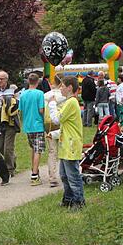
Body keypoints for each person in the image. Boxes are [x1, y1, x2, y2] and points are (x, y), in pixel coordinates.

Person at [47, 76, 84, 209]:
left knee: (73, 176)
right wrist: (54, 134)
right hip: (66, 144)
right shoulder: (69, 103)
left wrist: (51, 104)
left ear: (69, 88)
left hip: (71, 145)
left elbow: (57, 119)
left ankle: (79, 201)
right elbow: (66, 125)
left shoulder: (71, 102)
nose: (60, 88)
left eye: (62, 86)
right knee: (64, 175)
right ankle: (67, 199)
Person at [19, 73, 46, 186]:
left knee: (33, 148)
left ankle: (34, 169)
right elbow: (41, 110)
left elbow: (20, 111)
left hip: (27, 125)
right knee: (38, 150)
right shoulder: (40, 94)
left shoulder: (23, 94)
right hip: (38, 124)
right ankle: (34, 175)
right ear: (38, 81)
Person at [0, 70, 19, 177]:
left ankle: (10, 169)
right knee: (0, 147)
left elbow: (18, 104)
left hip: (11, 121)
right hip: (0, 122)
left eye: (1, 79)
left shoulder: (13, 89)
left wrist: (9, 106)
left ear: (6, 79)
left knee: (7, 148)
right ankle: (12, 158)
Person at [44, 74, 66, 187]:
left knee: (52, 151)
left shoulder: (46, 95)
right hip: (61, 123)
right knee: (63, 149)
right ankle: (64, 173)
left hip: (48, 124)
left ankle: (52, 177)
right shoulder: (63, 96)